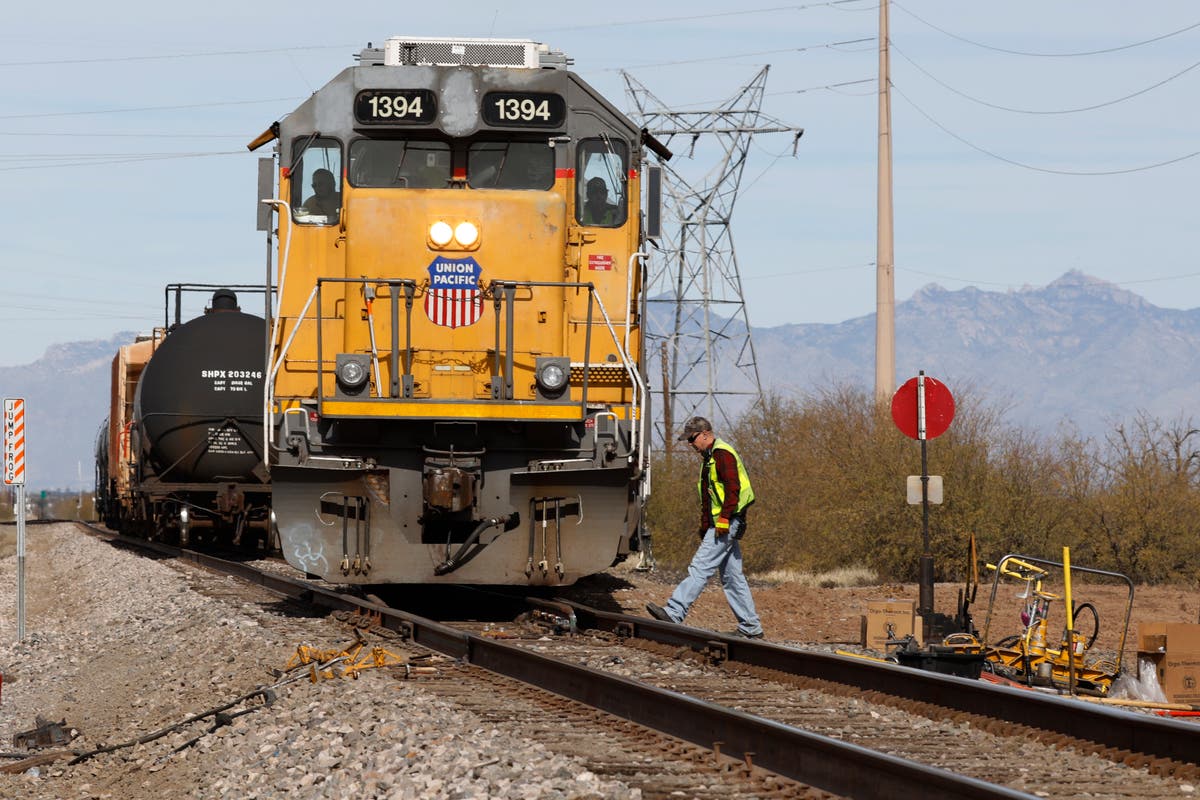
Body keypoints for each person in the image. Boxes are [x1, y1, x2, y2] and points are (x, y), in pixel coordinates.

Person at [646, 416, 764, 639]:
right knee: (732, 577)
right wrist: (704, 526)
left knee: (700, 567)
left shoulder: (722, 455)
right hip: (723, 522)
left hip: (725, 523)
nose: (690, 444)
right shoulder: (709, 459)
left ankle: (674, 611)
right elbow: (708, 498)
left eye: (692, 439)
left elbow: (733, 490)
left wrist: (724, 520)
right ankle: (750, 627)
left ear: (705, 434)